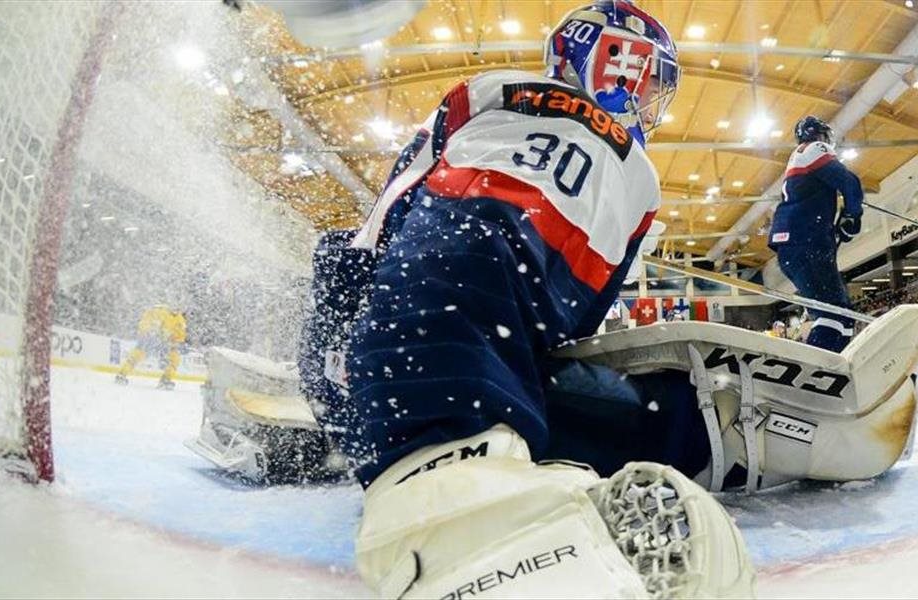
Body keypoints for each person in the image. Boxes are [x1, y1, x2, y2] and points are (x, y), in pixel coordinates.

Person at [299, 2, 754, 597]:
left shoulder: (485, 90)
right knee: (601, 398)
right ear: (617, 62)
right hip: (469, 349)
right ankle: (691, 434)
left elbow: (390, 207)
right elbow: (584, 318)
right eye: (647, 78)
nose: (648, 96)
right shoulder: (640, 177)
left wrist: (341, 309)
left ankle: (387, 446)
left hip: (406, 335)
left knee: (425, 330)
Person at [767, 115, 864, 352]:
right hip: (805, 242)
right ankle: (818, 370)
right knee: (834, 311)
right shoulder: (814, 149)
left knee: (840, 312)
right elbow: (849, 182)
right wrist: (852, 214)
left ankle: (836, 361)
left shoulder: (799, 157)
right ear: (819, 135)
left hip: (795, 245)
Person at [115, 304, 186, 390]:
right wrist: (149, 333)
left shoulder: (179, 319)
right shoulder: (160, 311)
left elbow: (180, 334)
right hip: (152, 339)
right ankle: (122, 374)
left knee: (174, 360)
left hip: (164, 342)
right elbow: (145, 324)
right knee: (136, 356)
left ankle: (165, 379)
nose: (177, 309)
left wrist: (174, 341)